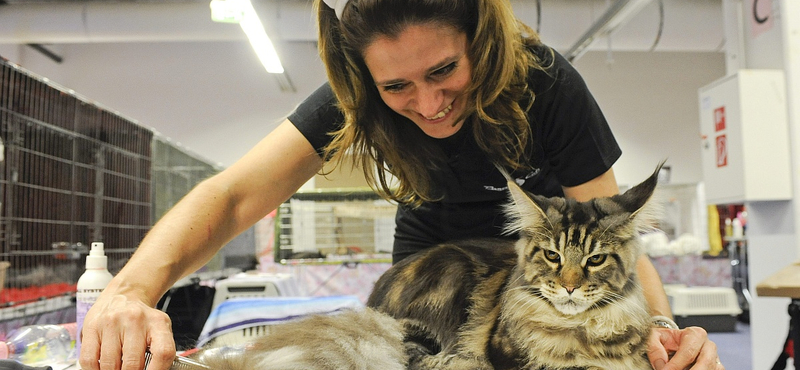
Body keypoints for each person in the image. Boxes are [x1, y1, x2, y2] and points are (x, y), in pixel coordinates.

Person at [78, 0, 723, 369]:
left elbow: (609, 237)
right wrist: (131, 290)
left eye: (445, 70)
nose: (430, 102)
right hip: (431, 273)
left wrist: (662, 329)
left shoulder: (548, 86)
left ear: (481, 39)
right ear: (368, 82)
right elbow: (235, 195)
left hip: (537, 271)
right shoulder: (356, 99)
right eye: (397, 87)